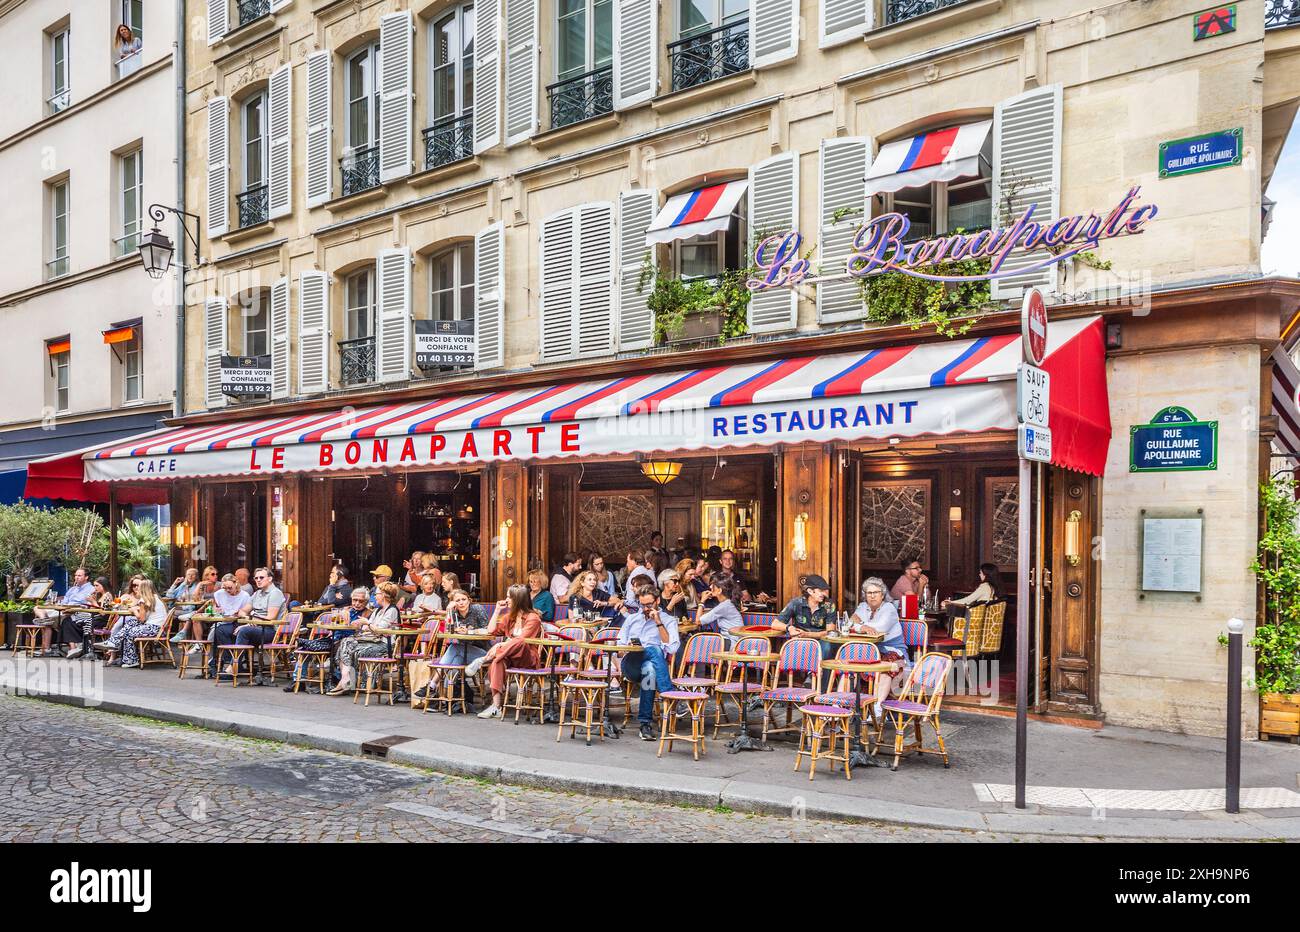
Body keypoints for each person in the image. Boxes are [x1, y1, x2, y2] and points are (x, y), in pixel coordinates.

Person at [617, 584, 680, 741]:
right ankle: (669, 693)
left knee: (650, 669)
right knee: (654, 650)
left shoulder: (668, 620)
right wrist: (627, 648)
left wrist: (658, 622)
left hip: (651, 667)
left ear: (657, 601)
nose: (645, 608)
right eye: (642, 604)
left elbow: (672, 648)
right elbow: (618, 647)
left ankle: (645, 725)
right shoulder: (632, 619)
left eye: (649, 604)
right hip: (631, 664)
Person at [472, 585, 543, 720]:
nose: (506, 599)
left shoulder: (533, 618)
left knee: (519, 641)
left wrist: (500, 644)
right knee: (498, 662)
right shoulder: (509, 617)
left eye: (509, 597)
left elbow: (522, 640)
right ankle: (496, 706)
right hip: (508, 656)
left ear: (518, 599)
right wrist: (497, 610)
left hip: (527, 658)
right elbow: (491, 631)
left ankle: (483, 660)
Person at [327, 582, 400, 695]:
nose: (375, 596)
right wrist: (361, 624)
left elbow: (380, 629)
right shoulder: (378, 610)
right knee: (346, 642)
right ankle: (346, 679)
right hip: (373, 641)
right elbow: (367, 627)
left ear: (384, 595)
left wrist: (366, 622)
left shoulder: (392, 610)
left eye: (377, 594)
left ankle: (346, 681)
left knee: (347, 646)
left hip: (384, 645)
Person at [851, 576, 910, 713]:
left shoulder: (889, 608)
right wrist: (862, 627)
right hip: (871, 651)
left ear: (882, 594)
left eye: (876, 592)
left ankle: (877, 708)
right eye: (869, 593)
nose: (872, 596)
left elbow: (880, 628)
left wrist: (859, 626)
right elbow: (850, 622)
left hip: (893, 651)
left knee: (884, 667)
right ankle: (838, 707)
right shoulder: (863, 607)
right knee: (849, 667)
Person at [772, 574, 839, 689]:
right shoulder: (796, 603)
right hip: (801, 641)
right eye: (821, 590)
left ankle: (820, 689)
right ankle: (788, 690)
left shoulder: (829, 605)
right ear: (810, 591)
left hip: (822, 640)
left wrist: (808, 634)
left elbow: (830, 632)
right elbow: (775, 624)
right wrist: (789, 628)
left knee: (827, 647)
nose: (824, 594)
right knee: (792, 647)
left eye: (825, 590)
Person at [100, 579, 167, 667]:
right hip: (159, 629)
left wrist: (134, 610)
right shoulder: (154, 597)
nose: (136, 589)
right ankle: (116, 644)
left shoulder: (143, 600)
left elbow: (141, 619)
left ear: (142, 590)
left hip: (154, 629)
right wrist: (136, 609)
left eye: (138, 588)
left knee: (130, 632)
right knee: (131, 623)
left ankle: (130, 659)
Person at [33, 567, 96, 657]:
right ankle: (44, 619)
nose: (76, 577)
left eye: (79, 575)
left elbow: (88, 605)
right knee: (37, 608)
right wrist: (54, 604)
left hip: (76, 612)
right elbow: (64, 602)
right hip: (63, 610)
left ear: (86, 577)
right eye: (75, 575)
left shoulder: (91, 589)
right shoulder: (73, 589)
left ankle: (47, 647)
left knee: (50, 623)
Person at [206, 574, 254, 677]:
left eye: (229, 588)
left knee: (218, 631)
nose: (227, 590)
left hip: (238, 622)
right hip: (223, 621)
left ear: (236, 583)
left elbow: (246, 612)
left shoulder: (244, 595)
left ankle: (225, 662)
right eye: (224, 587)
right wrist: (216, 609)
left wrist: (239, 613)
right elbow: (215, 607)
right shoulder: (219, 594)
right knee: (216, 630)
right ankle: (229, 662)